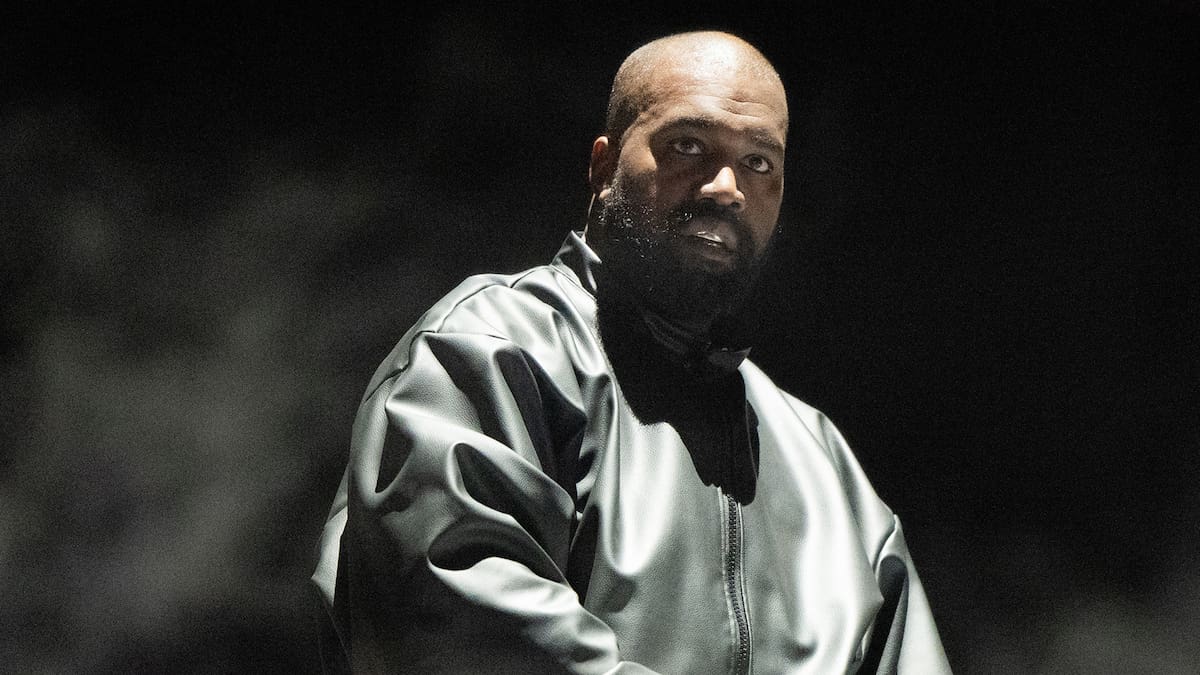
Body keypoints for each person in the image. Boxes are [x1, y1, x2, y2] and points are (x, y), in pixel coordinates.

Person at [312, 31, 952, 674]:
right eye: (688, 145)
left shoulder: (825, 464)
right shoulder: (491, 350)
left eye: (760, 162)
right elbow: (458, 632)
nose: (726, 186)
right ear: (603, 165)